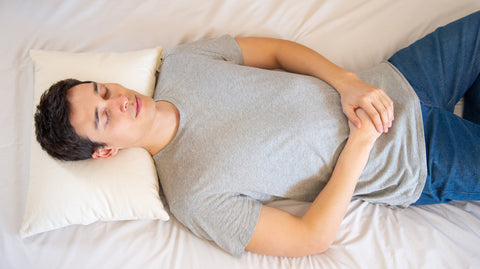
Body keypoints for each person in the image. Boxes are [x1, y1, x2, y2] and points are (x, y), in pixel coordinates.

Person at [34, 11, 480, 257]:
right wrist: (360, 146)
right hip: (415, 159)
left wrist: (346, 81)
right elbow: (310, 239)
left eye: (103, 90)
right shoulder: (191, 195)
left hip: (396, 80)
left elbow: (274, 50)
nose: (117, 100)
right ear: (106, 151)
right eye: (103, 116)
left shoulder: (180, 64)